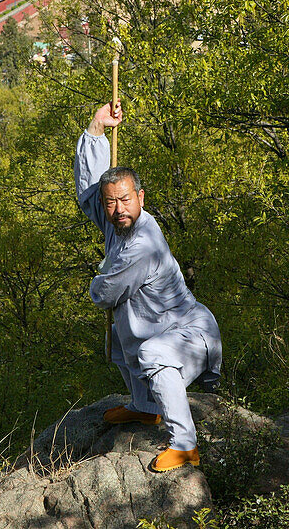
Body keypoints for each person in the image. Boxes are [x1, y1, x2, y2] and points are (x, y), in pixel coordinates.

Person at [74, 100, 222, 472]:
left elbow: (105, 293)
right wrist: (97, 129)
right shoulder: (116, 220)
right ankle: (146, 407)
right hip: (159, 326)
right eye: (112, 203)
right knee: (122, 343)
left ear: (141, 197)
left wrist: (97, 279)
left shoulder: (144, 244)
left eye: (126, 199)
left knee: (152, 354)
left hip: (189, 333)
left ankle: (185, 445)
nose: (118, 208)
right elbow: (90, 192)